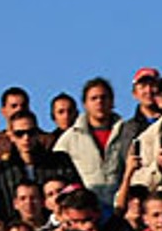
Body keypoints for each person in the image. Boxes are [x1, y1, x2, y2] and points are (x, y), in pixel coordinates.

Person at [53, 77, 138, 210]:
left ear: (112, 101)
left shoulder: (128, 133)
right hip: (86, 209)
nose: (99, 102)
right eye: (94, 98)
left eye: (103, 97)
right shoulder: (69, 138)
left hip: (123, 206)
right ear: (85, 104)